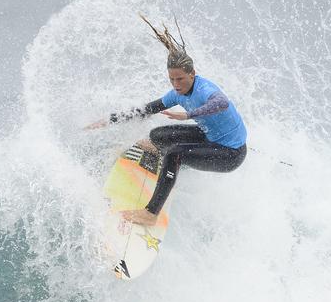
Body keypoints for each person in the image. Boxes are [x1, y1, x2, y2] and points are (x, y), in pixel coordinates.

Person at [86, 15, 247, 226]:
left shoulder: (207, 91)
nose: (176, 84)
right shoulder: (176, 94)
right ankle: (166, 165)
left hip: (230, 153)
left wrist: (189, 115)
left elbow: (222, 103)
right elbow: (146, 110)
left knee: (174, 152)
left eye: (180, 79)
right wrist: (110, 119)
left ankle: (150, 213)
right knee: (158, 136)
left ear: (193, 74)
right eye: (172, 79)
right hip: (210, 137)